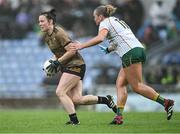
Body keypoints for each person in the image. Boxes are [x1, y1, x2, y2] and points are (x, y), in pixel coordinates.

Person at [70, 5, 174, 125]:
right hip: (136, 49)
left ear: (100, 16)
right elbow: (120, 38)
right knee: (120, 83)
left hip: (130, 53)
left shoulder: (104, 22)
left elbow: (100, 38)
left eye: (95, 17)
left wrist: (81, 45)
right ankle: (119, 117)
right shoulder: (115, 20)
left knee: (137, 87)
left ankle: (166, 102)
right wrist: (109, 49)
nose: (94, 19)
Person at [38, 9, 117, 125]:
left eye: (42, 21)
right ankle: (106, 100)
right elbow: (58, 53)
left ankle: (74, 120)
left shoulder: (59, 33)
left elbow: (72, 50)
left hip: (76, 65)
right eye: (39, 21)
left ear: (50, 21)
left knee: (60, 91)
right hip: (68, 66)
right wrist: (51, 63)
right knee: (77, 99)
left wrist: (58, 63)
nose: (39, 24)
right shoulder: (47, 37)